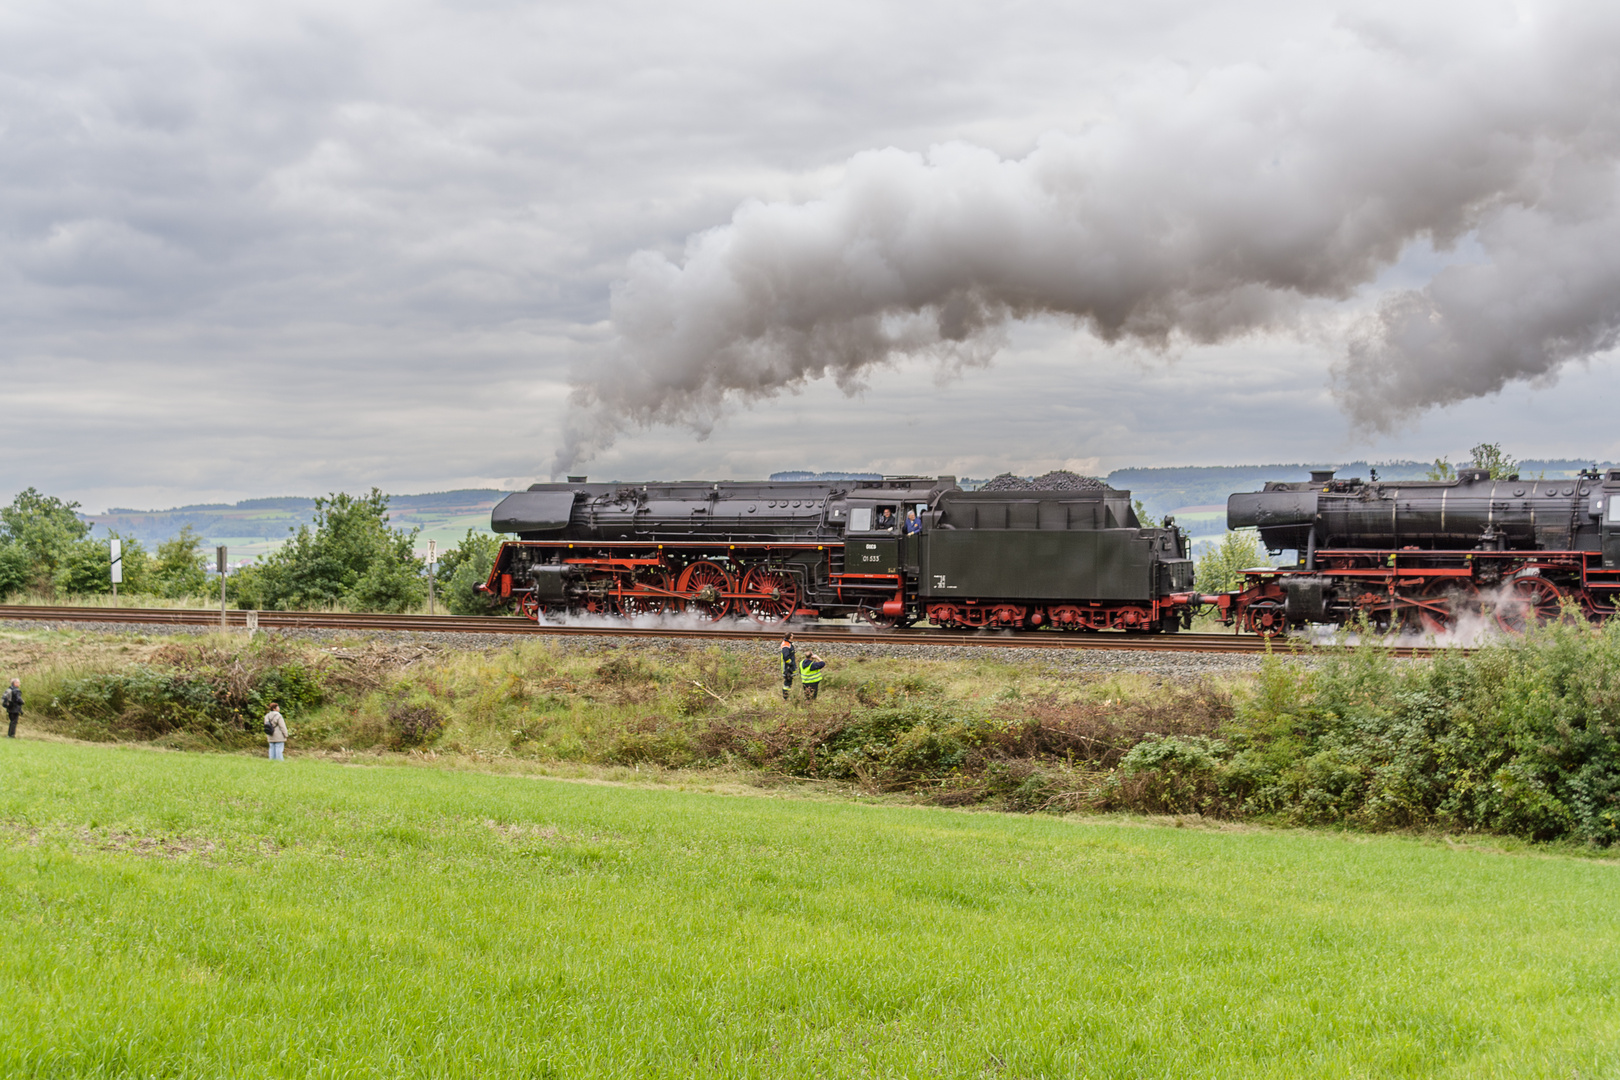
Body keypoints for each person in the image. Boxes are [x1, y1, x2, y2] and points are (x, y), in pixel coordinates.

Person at [779, 632, 796, 701]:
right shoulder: (786, 645)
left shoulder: (787, 643)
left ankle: (787, 696)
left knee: (789, 681)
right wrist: (790, 663)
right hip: (787, 667)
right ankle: (785, 697)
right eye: (792, 635)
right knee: (787, 681)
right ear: (790, 637)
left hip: (788, 666)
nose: (793, 636)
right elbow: (786, 657)